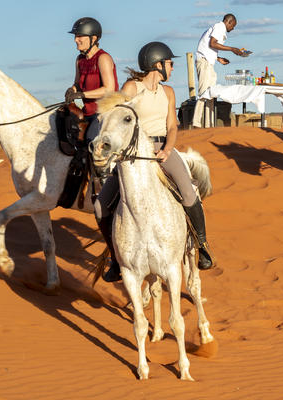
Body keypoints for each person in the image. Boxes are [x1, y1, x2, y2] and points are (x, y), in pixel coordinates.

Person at [98, 42, 216, 282]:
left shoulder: (169, 92)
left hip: (163, 149)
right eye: (170, 63)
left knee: (189, 194)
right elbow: (118, 117)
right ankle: (116, 259)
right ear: (157, 64)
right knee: (101, 206)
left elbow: (172, 126)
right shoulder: (131, 87)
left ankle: (202, 246)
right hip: (134, 152)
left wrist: (167, 149)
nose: (172, 68)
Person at [192, 13, 249, 128]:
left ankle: (209, 124)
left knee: (211, 93)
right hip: (204, 63)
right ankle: (196, 123)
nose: (233, 29)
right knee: (204, 93)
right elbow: (212, 43)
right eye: (233, 25)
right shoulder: (219, 27)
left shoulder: (219, 28)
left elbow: (209, 47)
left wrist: (218, 58)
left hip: (209, 62)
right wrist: (232, 49)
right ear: (229, 22)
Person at [64, 17, 117, 127]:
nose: (75, 40)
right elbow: (77, 84)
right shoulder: (80, 59)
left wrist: (82, 95)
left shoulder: (103, 58)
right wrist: (72, 90)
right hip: (86, 113)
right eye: (75, 36)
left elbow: (109, 89)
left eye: (79, 36)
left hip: (103, 114)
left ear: (93, 38)